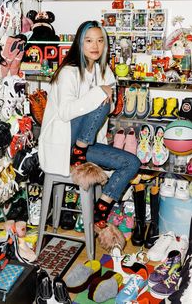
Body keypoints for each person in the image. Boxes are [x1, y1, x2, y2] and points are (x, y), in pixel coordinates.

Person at [38, 20, 141, 229]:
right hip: (63, 143)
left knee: (132, 163)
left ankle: (100, 209)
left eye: (100, 41)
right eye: (89, 41)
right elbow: (66, 113)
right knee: (99, 100)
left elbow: (110, 109)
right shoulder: (69, 71)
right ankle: (78, 153)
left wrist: (103, 94)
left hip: (85, 146)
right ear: (79, 44)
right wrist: (99, 93)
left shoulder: (104, 72)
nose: (95, 46)